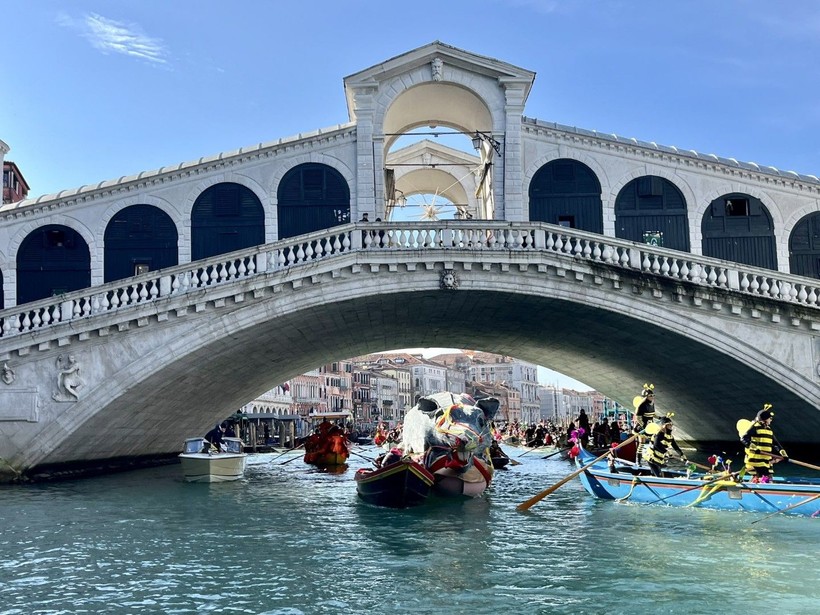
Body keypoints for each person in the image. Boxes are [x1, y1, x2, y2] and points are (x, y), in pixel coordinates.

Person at [741, 405, 787, 483]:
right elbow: (744, 438)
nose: (771, 420)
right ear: (765, 420)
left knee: (765, 477)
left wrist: (784, 454)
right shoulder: (755, 428)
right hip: (756, 459)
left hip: (764, 460)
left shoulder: (769, 430)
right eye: (770, 418)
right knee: (765, 478)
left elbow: (776, 443)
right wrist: (754, 448)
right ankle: (762, 488)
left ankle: (754, 483)